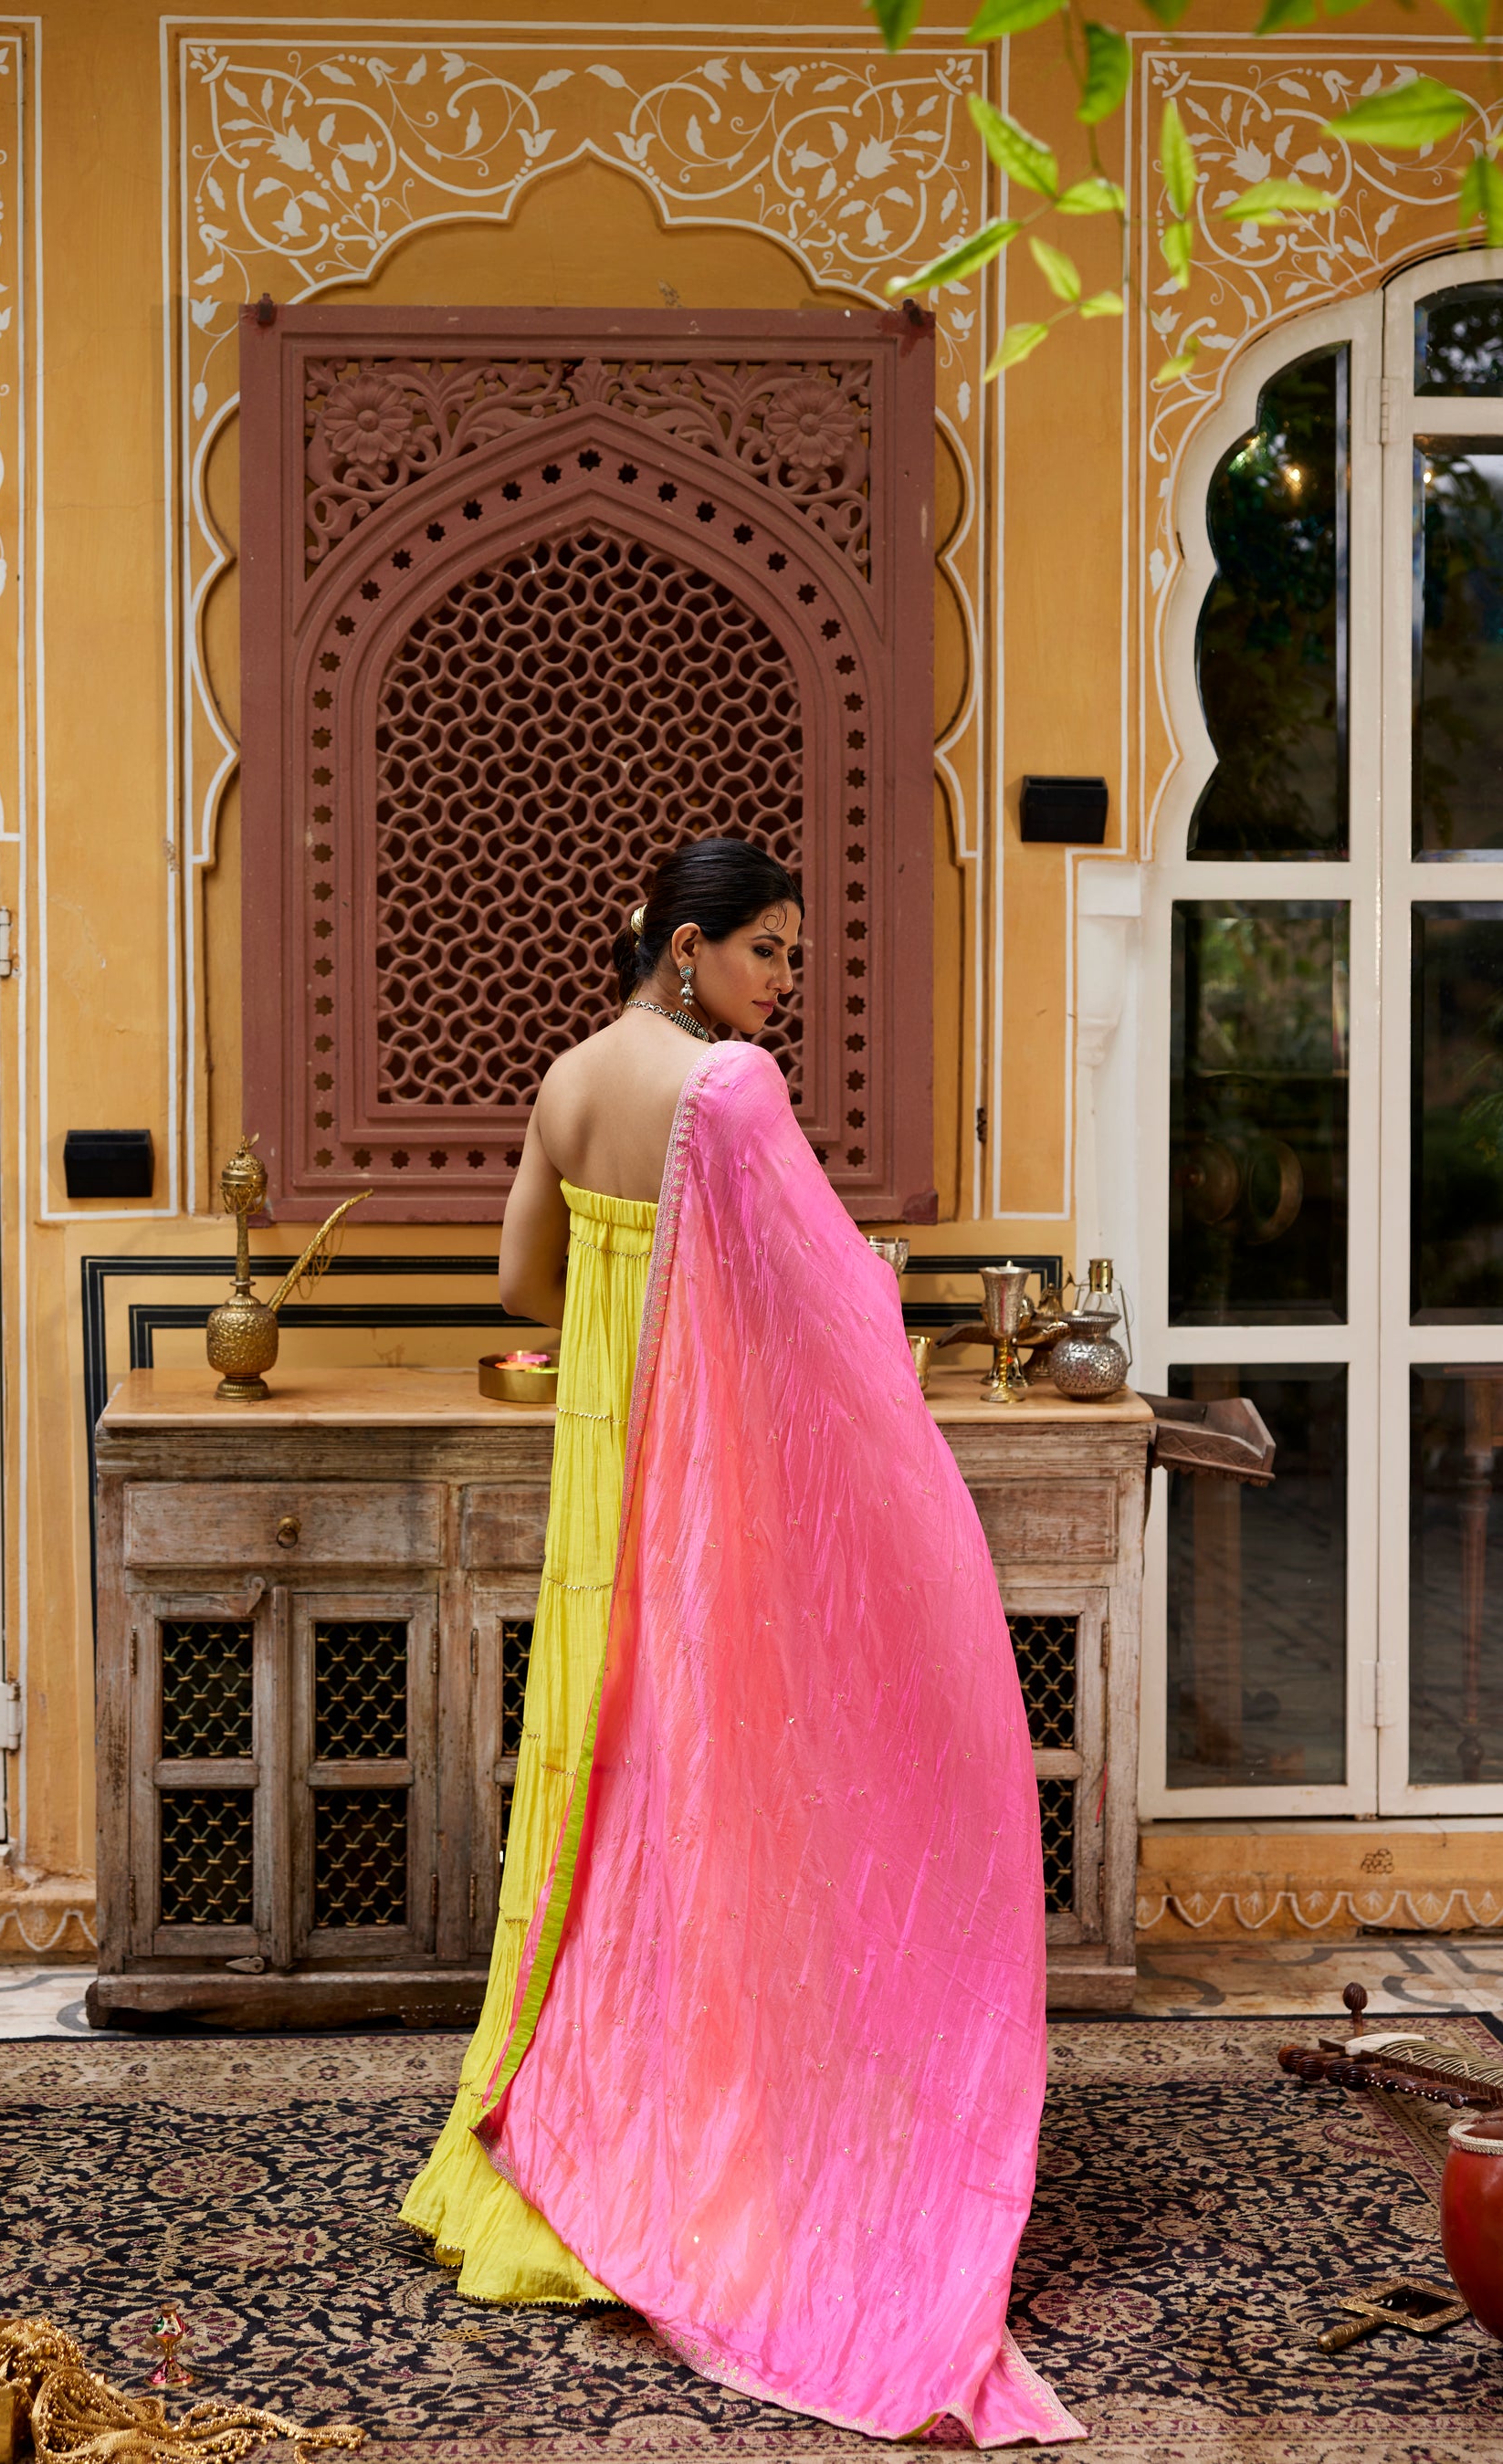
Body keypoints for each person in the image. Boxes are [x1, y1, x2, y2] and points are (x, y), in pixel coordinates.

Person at [402, 835, 1081, 2448]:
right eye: (769, 955)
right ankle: (749, 2148)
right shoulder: (729, 1097)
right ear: (690, 947)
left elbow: (519, 1284)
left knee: (619, 1799)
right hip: (720, 1504)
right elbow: (830, 1301)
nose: (785, 988)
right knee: (754, 1803)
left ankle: (604, 2121)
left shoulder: (572, 1081)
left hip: (603, 1497)